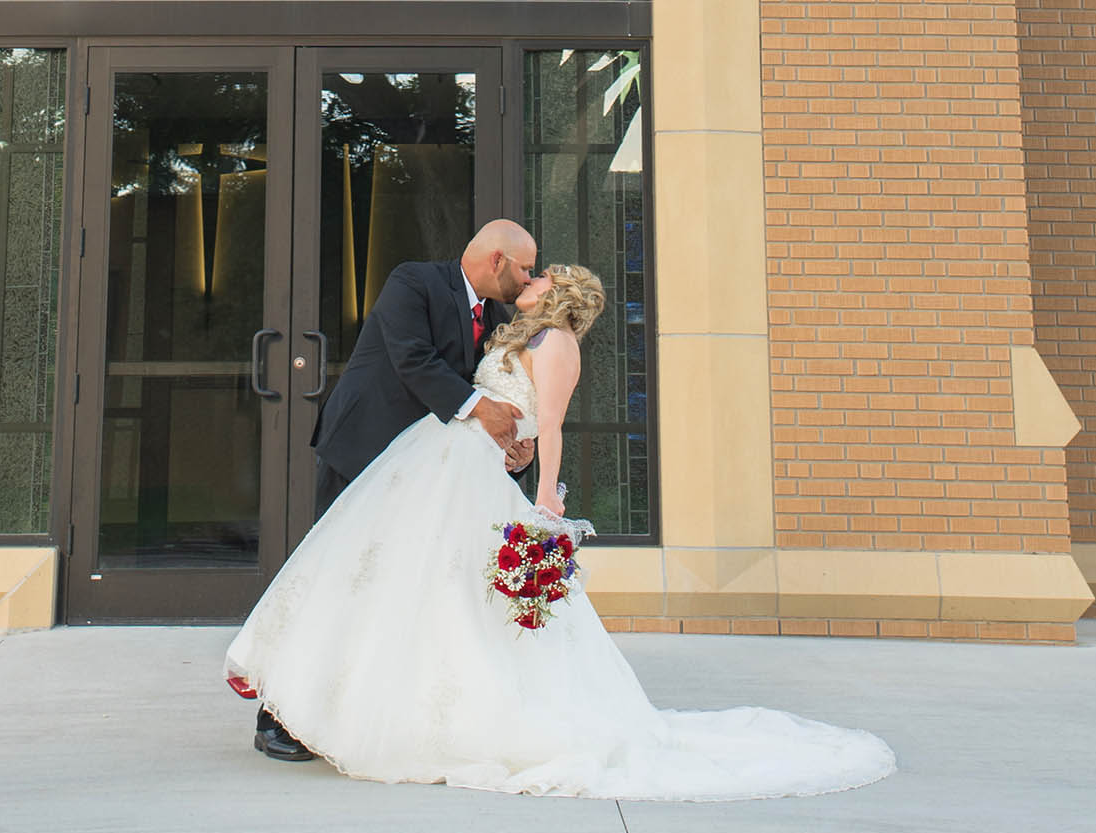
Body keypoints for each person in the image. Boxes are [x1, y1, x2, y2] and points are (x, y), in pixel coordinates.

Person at [228, 261, 896, 801]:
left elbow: (549, 422)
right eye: (527, 270)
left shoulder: (559, 344)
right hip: (436, 463)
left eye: (541, 277)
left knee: (451, 594)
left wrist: (545, 498)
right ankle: (318, 703)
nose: (529, 281)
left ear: (561, 294)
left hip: (468, 473)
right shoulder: (512, 331)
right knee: (397, 578)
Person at [251, 217, 539, 760]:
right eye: (524, 268)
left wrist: (515, 452)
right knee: (334, 578)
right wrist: (483, 410)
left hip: (423, 477)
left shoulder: (498, 320)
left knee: (386, 590)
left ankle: (345, 712)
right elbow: (414, 359)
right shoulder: (414, 283)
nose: (529, 279)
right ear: (496, 260)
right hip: (362, 451)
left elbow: (493, 398)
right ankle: (277, 718)